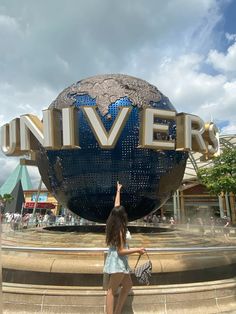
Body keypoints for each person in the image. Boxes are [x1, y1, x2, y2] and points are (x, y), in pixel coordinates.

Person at [104, 182, 145, 314]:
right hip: (119, 263)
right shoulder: (120, 229)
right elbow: (121, 251)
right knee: (111, 291)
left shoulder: (112, 223)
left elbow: (116, 206)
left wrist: (118, 191)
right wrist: (137, 250)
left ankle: (117, 311)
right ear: (122, 216)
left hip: (116, 261)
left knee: (127, 286)